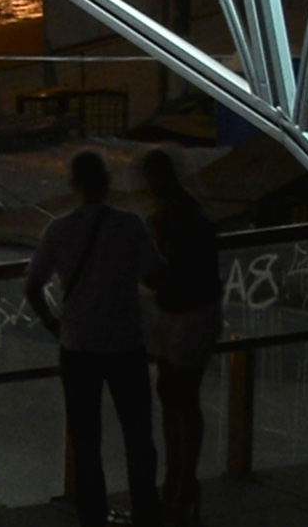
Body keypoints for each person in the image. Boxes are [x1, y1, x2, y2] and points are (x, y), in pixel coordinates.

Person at [23, 147, 160, 527]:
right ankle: (147, 509)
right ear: (107, 183)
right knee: (138, 433)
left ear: (74, 184)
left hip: (79, 345)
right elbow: (154, 275)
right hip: (126, 342)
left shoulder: (59, 229)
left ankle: (93, 513)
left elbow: (33, 284)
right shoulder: (130, 225)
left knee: (86, 438)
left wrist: (53, 323)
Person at [136, 150, 223, 527]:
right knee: (179, 395)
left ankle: (179, 479)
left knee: (175, 396)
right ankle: (181, 479)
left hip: (181, 313)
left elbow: (170, 275)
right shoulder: (189, 216)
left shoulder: (171, 220)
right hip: (191, 313)